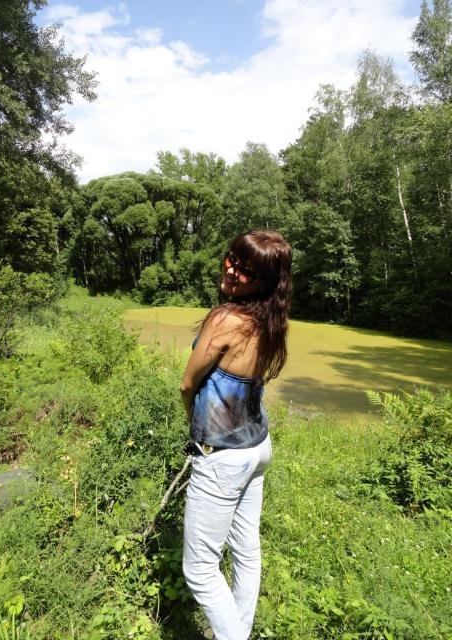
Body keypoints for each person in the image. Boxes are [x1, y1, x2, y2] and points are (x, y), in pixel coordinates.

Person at [180, 229, 292, 640]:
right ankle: (238, 629)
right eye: (233, 259)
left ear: (265, 282)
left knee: (199, 570)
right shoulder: (270, 320)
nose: (232, 271)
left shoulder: (225, 319)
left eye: (246, 270)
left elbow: (188, 384)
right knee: (245, 547)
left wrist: (193, 427)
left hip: (223, 455)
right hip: (257, 448)